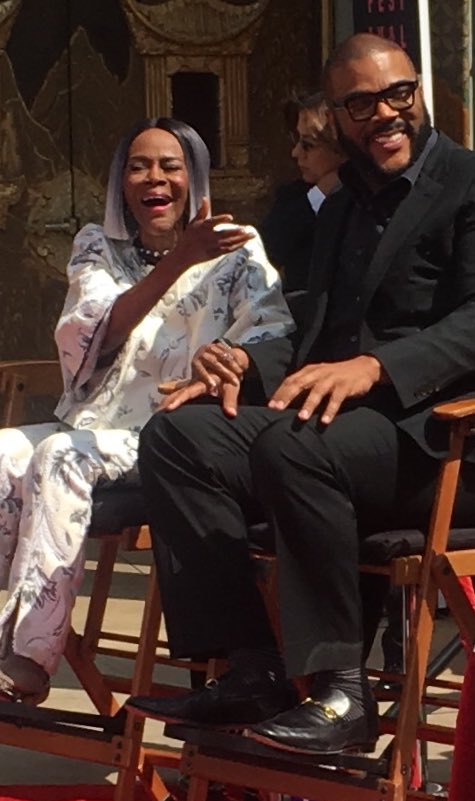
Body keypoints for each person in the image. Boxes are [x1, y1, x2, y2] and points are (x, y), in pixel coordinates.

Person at [127, 33, 475, 756]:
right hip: (339, 432)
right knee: (175, 436)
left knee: (293, 443)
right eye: (362, 103)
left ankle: (342, 692)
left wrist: (377, 369)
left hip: (437, 443)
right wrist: (238, 366)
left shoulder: (467, 185)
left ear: (418, 93)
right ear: (338, 118)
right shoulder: (342, 204)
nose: (385, 113)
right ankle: (249, 667)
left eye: (398, 94)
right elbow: (316, 329)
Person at [0, 117, 294, 703]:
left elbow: (270, 332)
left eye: (170, 165)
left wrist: (231, 358)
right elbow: (95, 335)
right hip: (95, 422)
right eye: (138, 166)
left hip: (170, 437)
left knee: (60, 457)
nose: (153, 178)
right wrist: (178, 260)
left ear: (195, 176)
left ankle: (29, 655)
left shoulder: (239, 247)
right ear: (120, 182)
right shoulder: (95, 246)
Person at [260, 90, 345, 292]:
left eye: (308, 145)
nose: (295, 153)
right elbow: (268, 250)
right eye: (296, 141)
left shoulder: (373, 199)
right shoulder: (295, 197)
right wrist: (320, 194)